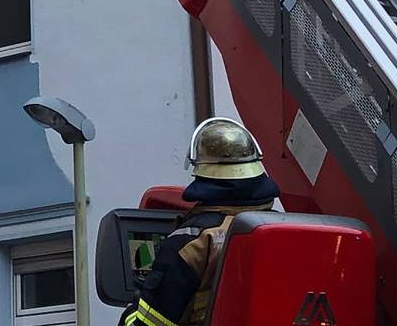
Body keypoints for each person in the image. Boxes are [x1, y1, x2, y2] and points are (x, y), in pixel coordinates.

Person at [121, 117, 283, 326]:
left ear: (202, 173)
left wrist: (132, 313)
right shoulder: (289, 233)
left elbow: (153, 321)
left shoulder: (192, 241)